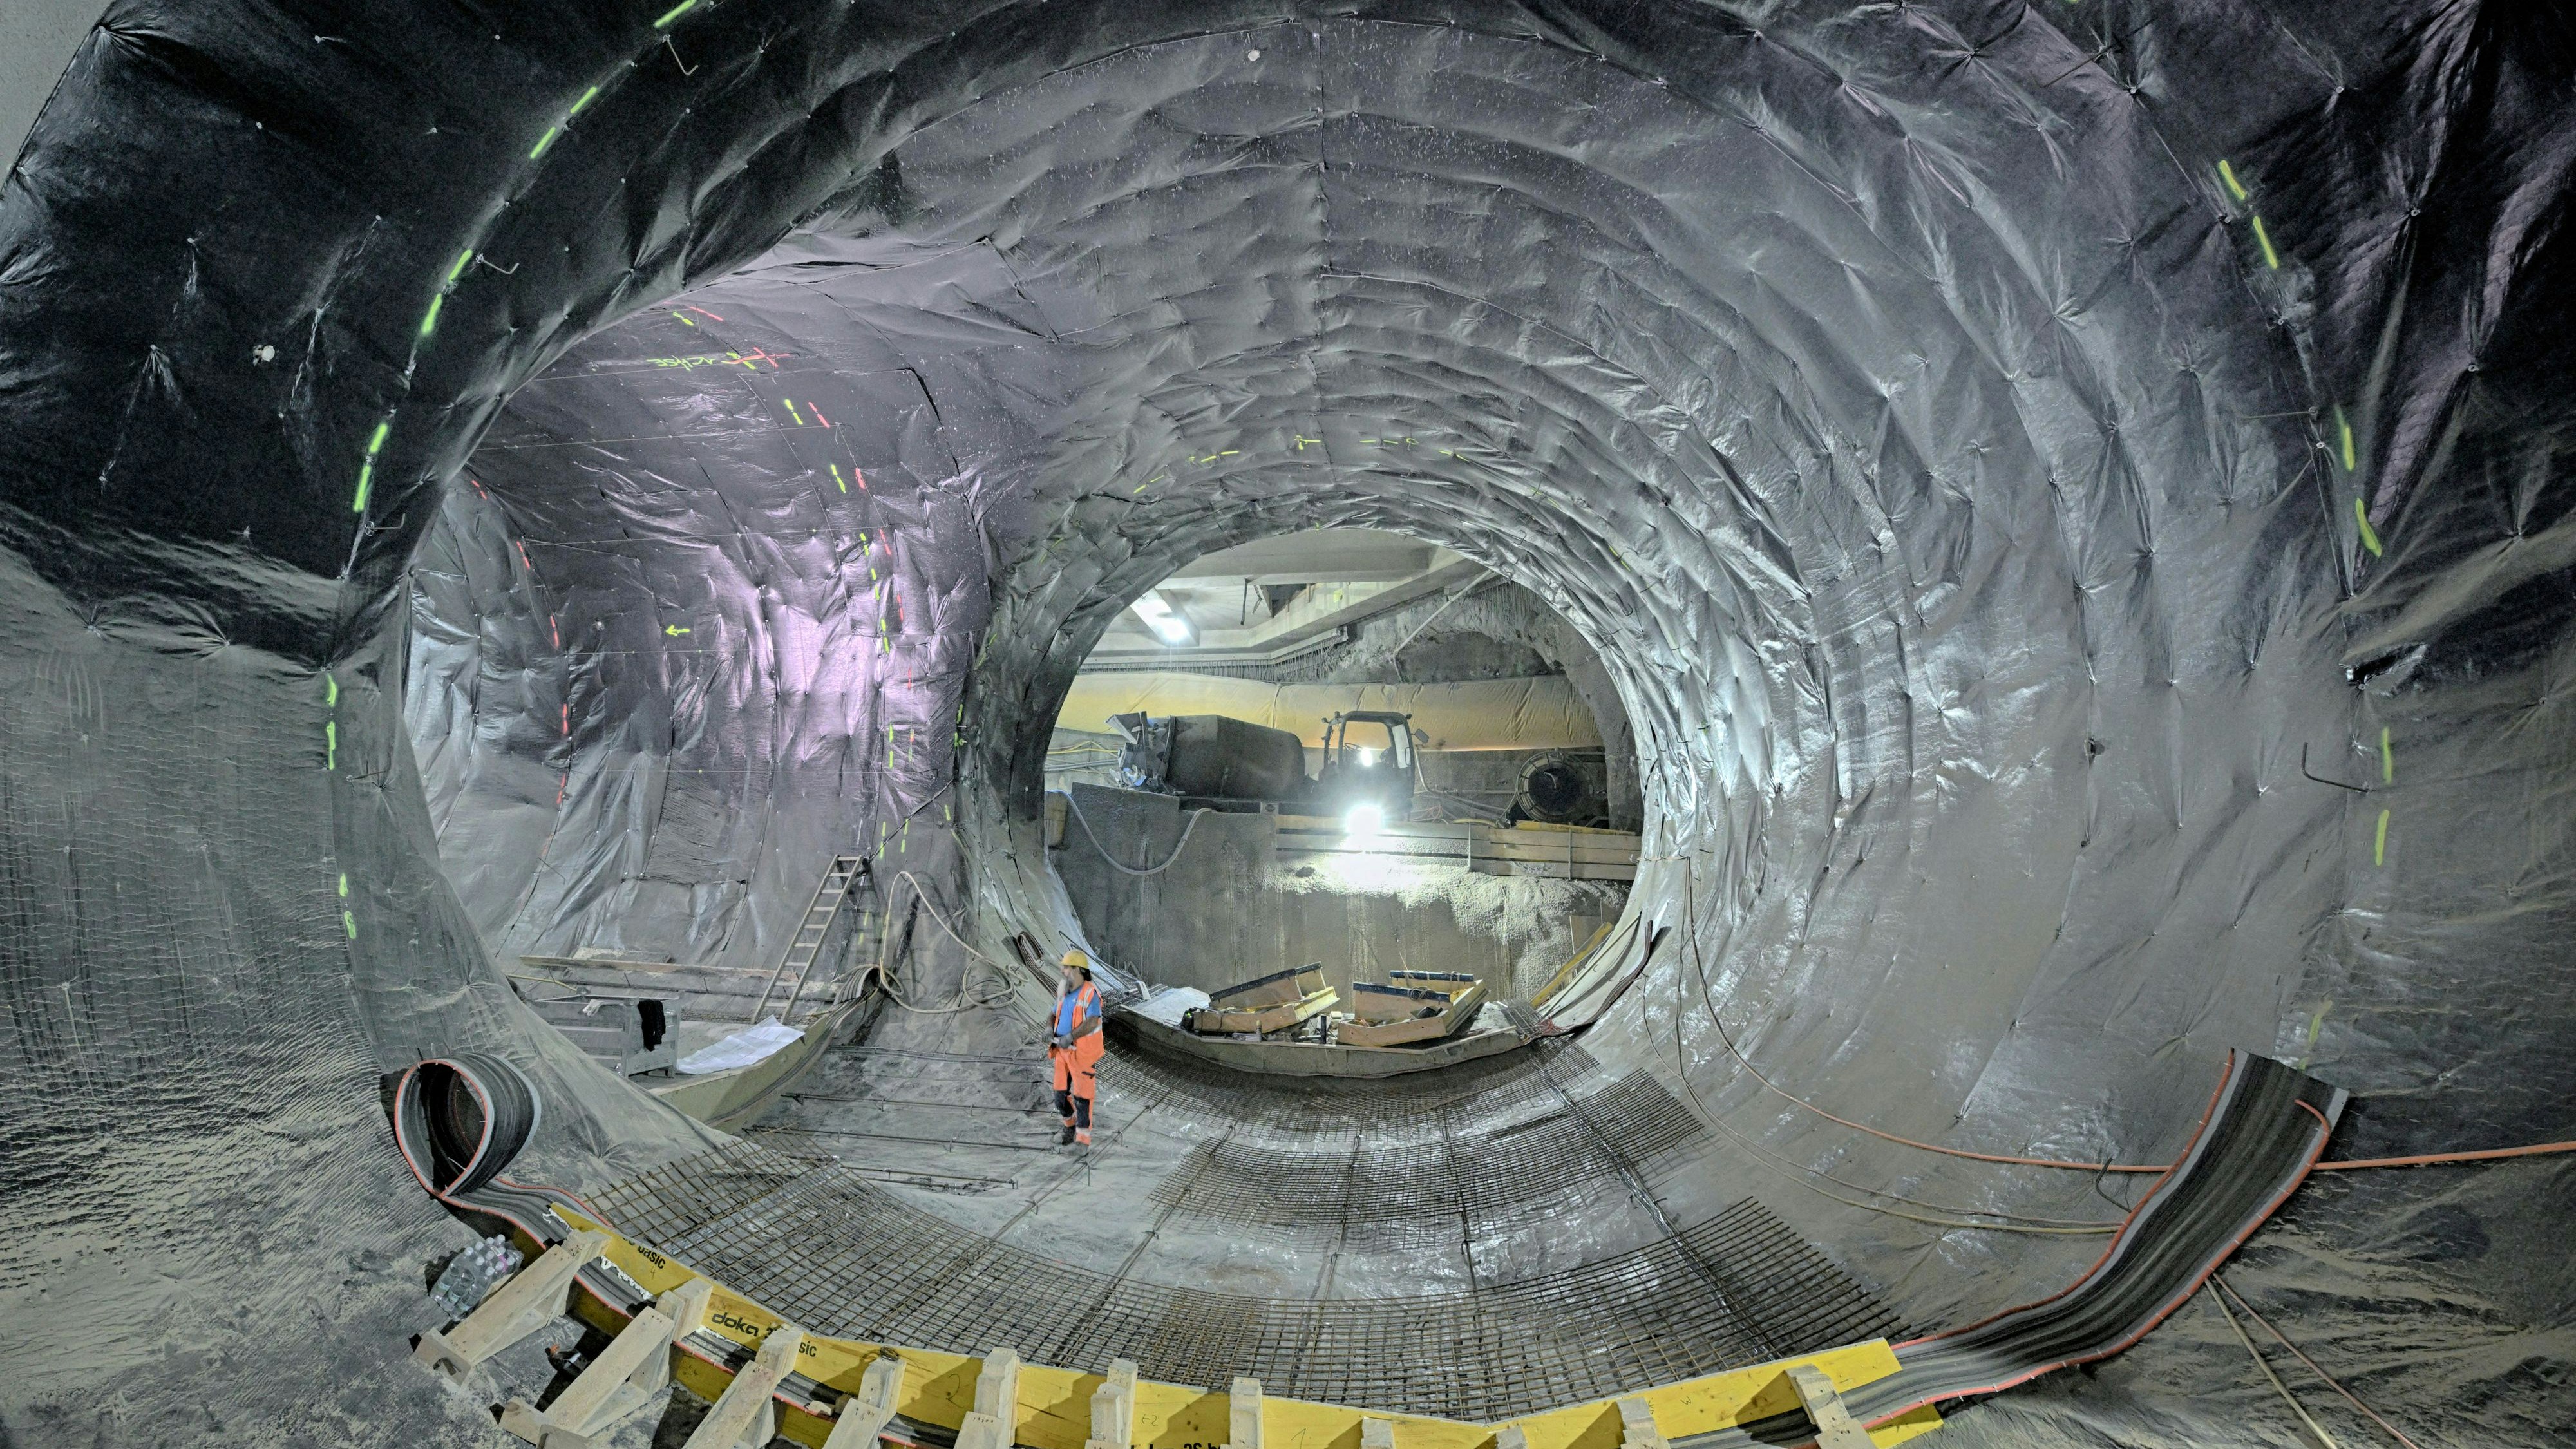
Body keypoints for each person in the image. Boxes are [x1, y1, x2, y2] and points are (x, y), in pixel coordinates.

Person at [1049, 949, 1104, 1146]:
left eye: (1067, 967)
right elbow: (1053, 1013)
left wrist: (1071, 1036)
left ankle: (1082, 1141)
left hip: (1081, 1054)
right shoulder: (1064, 991)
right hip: (1062, 1053)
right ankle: (1070, 1128)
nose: (1063, 971)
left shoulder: (1091, 993)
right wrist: (1049, 1029)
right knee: (1059, 1096)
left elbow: (1092, 1021)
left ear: (1079, 970)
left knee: (1082, 1098)